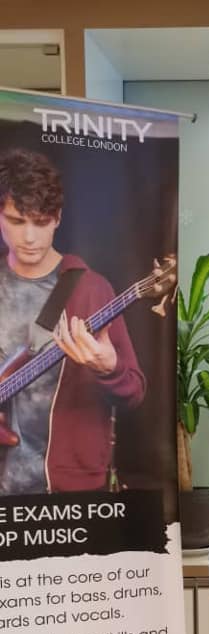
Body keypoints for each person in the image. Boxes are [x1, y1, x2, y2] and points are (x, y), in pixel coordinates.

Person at [0, 148, 145, 494]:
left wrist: (109, 369)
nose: (29, 237)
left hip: (70, 492)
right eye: (17, 221)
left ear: (58, 218)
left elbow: (135, 393)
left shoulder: (91, 289)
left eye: (41, 222)